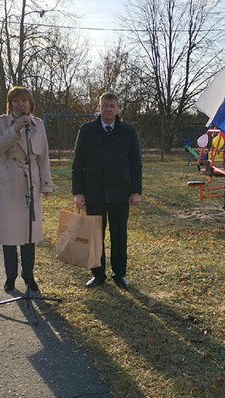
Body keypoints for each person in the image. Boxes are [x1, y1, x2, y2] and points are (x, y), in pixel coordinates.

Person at [0, 86, 53, 294]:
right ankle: (10, 277)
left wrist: (46, 183)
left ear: (30, 103)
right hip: (6, 181)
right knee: (9, 233)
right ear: (10, 103)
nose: (20, 104)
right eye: (16, 101)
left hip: (29, 182)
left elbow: (44, 157)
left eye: (24, 100)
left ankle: (29, 276)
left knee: (28, 234)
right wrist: (15, 129)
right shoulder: (0, 122)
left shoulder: (38, 125)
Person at [71, 92, 142, 290]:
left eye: (112, 106)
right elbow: (77, 164)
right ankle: (98, 274)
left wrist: (136, 191)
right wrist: (78, 192)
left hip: (121, 193)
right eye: (105, 105)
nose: (109, 109)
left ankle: (119, 274)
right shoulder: (87, 131)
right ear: (99, 107)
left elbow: (136, 164)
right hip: (94, 193)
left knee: (119, 235)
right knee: (95, 235)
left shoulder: (128, 132)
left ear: (118, 109)